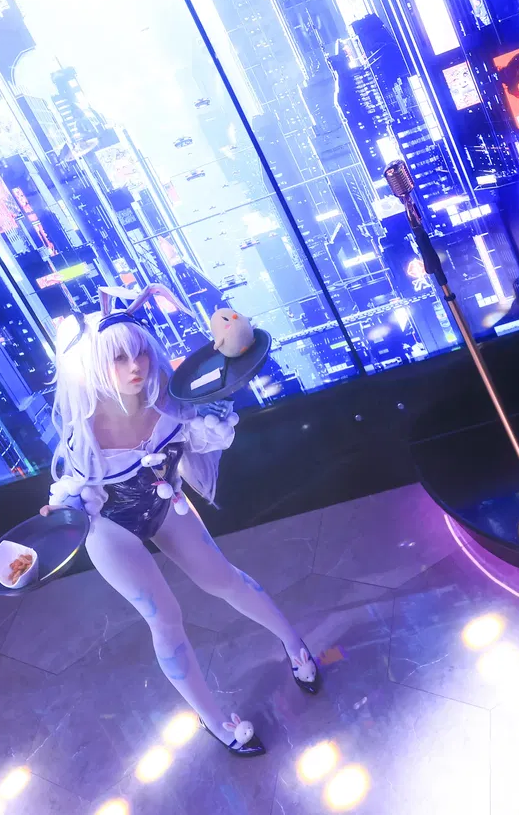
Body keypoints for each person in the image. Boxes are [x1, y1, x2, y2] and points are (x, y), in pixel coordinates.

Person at [41, 285, 318, 757]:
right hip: (111, 529)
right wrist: (63, 511)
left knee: (223, 578)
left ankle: (295, 645)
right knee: (165, 616)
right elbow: (77, 494)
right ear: (97, 366)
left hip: (168, 504)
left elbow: (204, 438)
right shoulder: (83, 432)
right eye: (119, 358)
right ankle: (215, 720)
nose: (134, 366)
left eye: (140, 353)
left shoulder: (170, 400)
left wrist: (219, 406)